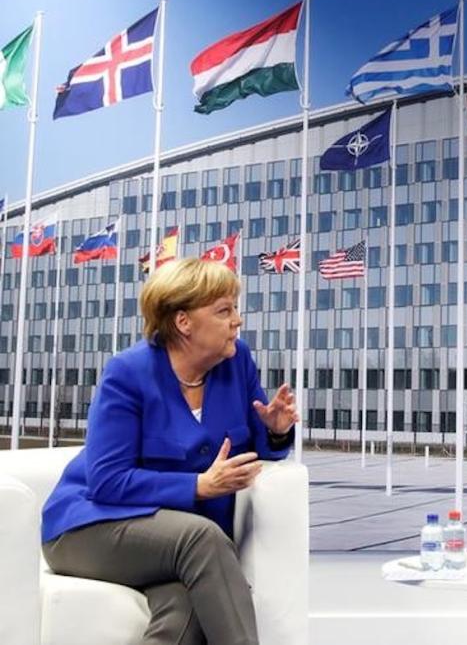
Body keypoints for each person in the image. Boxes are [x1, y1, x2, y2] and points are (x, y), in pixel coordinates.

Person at [41, 258, 299, 645]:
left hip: (174, 545)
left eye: (235, 308)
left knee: (187, 606)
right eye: (224, 310)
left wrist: (276, 432)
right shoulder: (127, 373)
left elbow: (257, 448)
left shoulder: (237, 361)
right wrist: (197, 486)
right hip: (89, 528)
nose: (237, 321)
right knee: (203, 541)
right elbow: (107, 482)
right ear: (184, 322)